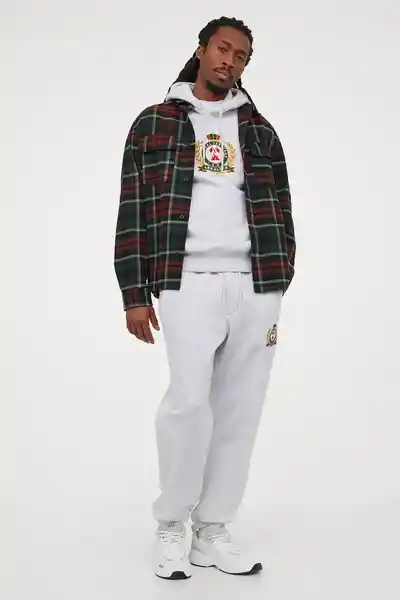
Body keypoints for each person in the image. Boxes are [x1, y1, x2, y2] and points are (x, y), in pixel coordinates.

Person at [114, 16, 296, 580]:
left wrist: (281, 274)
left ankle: (213, 530)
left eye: (241, 56)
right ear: (201, 50)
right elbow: (132, 210)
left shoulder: (259, 131)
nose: (230, 61)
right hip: (185, 280)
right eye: (223, 49)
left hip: (256, 285)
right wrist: (134, 293)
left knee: (241, 409)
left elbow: (282, 208)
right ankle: (171, 524)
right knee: (188, 404)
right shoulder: (154, 123)